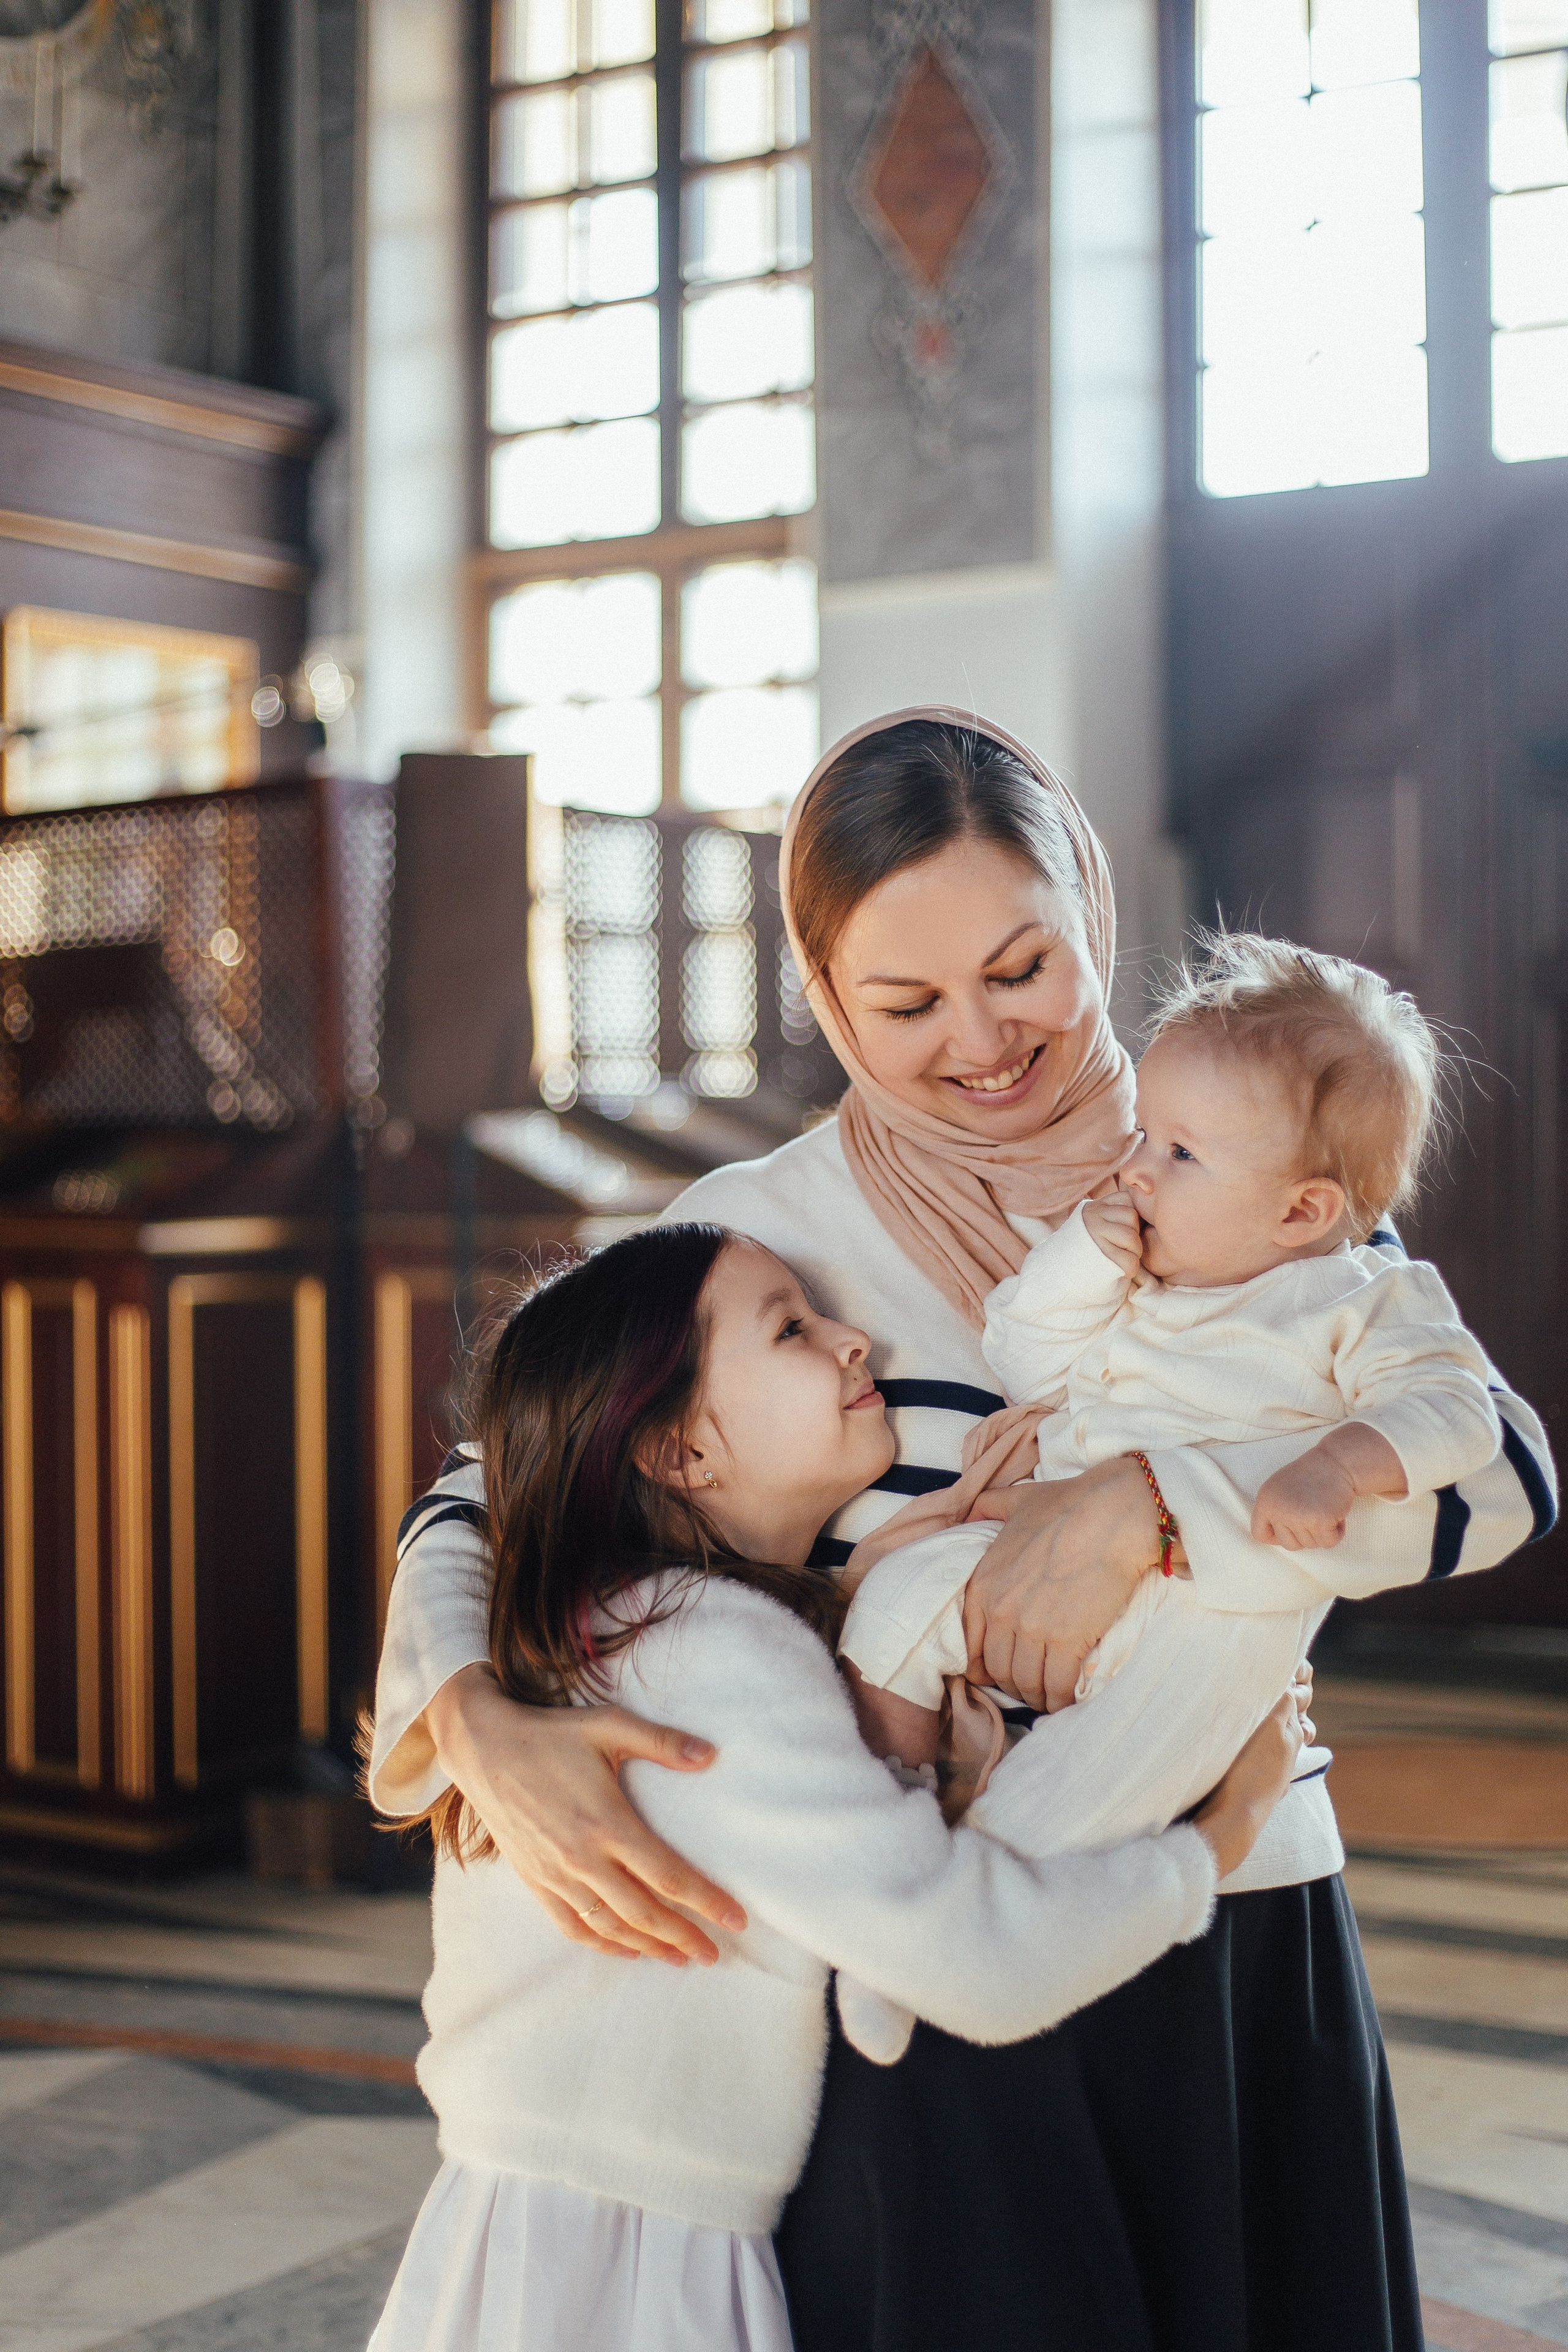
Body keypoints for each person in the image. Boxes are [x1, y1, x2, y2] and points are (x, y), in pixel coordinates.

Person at [375, 712, 1556, 2352]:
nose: (985, 1042)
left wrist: (1148, 1510)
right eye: (908, 1002)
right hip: (931, 1945)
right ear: (822, 988)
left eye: (1022, 970)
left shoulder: (1248, 1152)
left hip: (1235, 1890)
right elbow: (490, 1490)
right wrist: (473, 1716)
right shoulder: (751, 1238)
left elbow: (1494, 1474)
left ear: (1091, 910)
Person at [366, 1224, 1303, 2352]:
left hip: (534, 2224)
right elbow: (972, 1959)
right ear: (679, 1452)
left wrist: (874, 1599)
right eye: (792, 1330)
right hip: (631, 2265)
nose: (854, 1339)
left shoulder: (612, 1636)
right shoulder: (711, 1658)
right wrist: (1224, 1833)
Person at [840, 930, 1502, 1779]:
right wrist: (1083, 1260)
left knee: (1106, 1786)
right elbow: (1026, 1360)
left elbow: (1456, 1411)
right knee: (898, 1597)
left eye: (1180, 1153)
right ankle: (892, 1788)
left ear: (1301, 1213)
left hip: (1200, 1602)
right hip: (1036, 1544)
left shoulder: (1357, 1297)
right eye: (1144, 1134)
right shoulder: (1144, 1274)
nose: (1136, 1172)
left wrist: (1338, 1466)